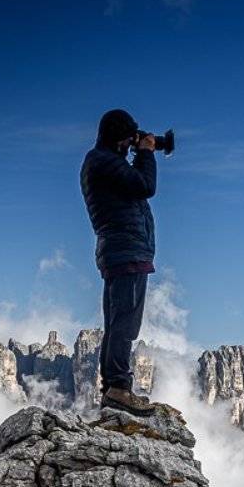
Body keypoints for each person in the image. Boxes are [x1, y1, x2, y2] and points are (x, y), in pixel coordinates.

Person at [80, 108, 160, 416]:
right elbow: (145, 187)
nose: (131, 145)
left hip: (121, 251)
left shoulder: (102, 161)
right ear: (119, 139)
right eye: (129, 140)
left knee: (118, 322)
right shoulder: (103, 161)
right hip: (126, 251)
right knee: (125, 322)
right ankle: (118, 389)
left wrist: (138, 152)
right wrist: (146, 153)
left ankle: (114, 389)